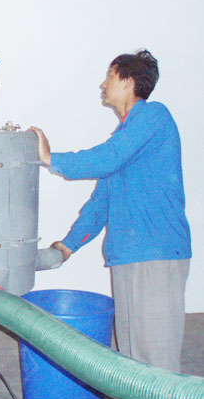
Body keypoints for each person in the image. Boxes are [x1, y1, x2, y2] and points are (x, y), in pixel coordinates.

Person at [30, 50, 191, 372]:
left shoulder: (153, 117)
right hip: (128, 254)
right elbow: (100, 203)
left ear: (129, 81)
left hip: (156, 252)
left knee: (156, 360)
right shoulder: (125, 139)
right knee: (132, 360)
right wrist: (68, 246)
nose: (103, 84)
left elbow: (107, 159)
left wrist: (51, 158)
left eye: (110, 76)